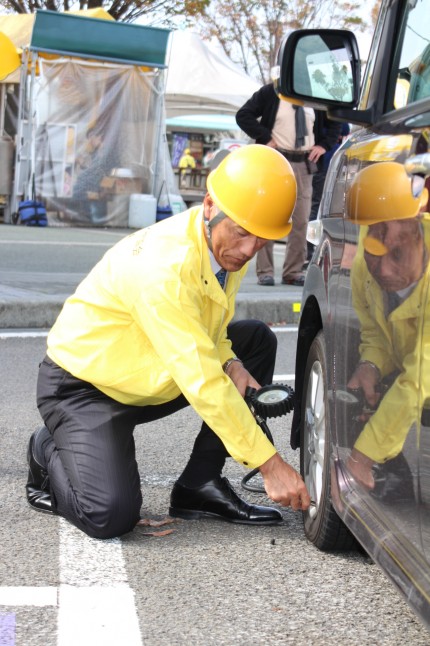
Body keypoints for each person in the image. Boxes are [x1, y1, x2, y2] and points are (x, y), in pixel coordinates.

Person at [26, 144, 311, 540]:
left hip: (146, 370)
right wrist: (270, 464)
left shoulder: (220, 245)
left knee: (255, 341)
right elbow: (200, 379)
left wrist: (231, 363)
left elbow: (210, 332)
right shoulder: (165, 268)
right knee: (109, 515)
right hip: (83, 388)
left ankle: (199, 485)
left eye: (262, 241)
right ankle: (47, 449)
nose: (249, 251)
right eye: (243, 233)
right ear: (210, 205)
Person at [344, 162, 430, 491]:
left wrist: (365, 455)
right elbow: (377, 335)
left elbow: (421, 373)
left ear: (418, 231)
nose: (383, 270)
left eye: (396, 253)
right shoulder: (364, 271)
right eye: (373, 250)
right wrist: (371, 365)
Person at [236, 82, 341, 286]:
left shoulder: (315, 95)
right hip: (274, 160)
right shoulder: (272, 91)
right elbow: (243, 115)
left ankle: (292, 271)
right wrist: (265, 137)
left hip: (303, 162)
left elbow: (335, 122)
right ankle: (265, 271)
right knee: (268, 216)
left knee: (301, 219)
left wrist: (324, 145)